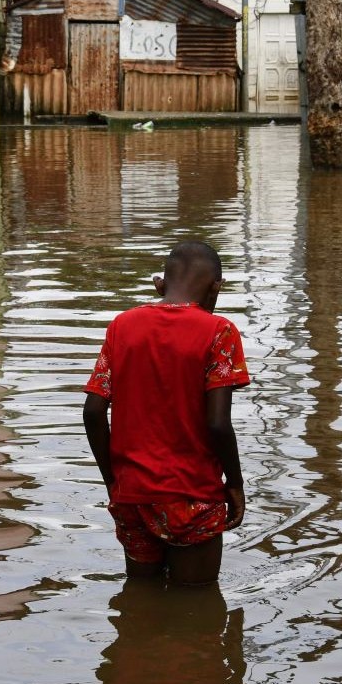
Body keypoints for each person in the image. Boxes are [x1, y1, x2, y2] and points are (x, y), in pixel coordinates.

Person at [82, 241, 251, 585]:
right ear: (216, 287)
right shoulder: (219, 332)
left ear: (159, 284)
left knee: (140, 595)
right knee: (196, 603)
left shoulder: (122, 326)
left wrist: (113, 481)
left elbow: (93, 412)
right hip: (192, 497)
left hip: (131, 497)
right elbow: (218, 424)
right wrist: (235, 484)